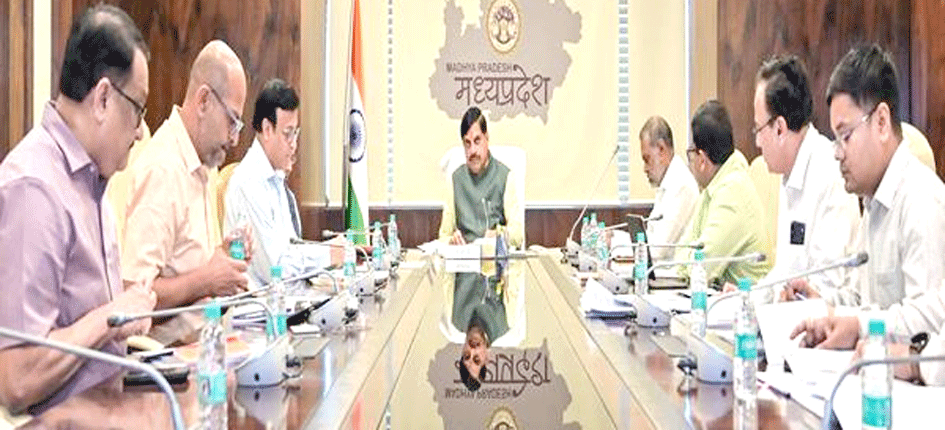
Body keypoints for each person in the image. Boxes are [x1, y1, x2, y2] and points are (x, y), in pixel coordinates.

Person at [0, 5, 156, 414]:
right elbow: (16, 379)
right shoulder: (34, 189)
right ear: (102, 98)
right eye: (138, 108)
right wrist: (111, 318)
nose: (141, 130)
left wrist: (126, 310)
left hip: (114, 407)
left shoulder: (93, 179)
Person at [790, 45, 945, 355]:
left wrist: (860, 326)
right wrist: (822, 307)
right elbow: (863, 302)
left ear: (882, 122)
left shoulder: (921, 199)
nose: (837, 153)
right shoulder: (872, 203)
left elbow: (933, 319)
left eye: (845, 136)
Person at [120, 40, 251, 344]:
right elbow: (133, 296)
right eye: (232, 121)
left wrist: (223, 258)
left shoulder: (202, 162)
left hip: (209, 343)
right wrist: (207, 280)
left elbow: (188, 263)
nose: (234, 139)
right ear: (203, 101)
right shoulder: (163, 169)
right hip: (172, 356)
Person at [748, 55, 861, 303]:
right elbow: (785, 272)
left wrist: (787, 299)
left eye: (758, 129)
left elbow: (827, 285)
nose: (757, 142)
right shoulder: (789, 173)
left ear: (779, 128)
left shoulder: (831, 173)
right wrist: (745, 298)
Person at [224, 79, 343, 287]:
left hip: (286, 297)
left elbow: (292, 248)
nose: (294, 144)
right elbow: (276, 268)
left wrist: (330, 252)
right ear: (267, 129)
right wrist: (328, 254)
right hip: (262, 304)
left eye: (296, 133)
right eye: (288, 134)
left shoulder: (276, 179)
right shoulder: (248, 182)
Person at [676, 100, 772, 286]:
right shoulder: (713, 187)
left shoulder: (733, 192)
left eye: (691, 154)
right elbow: (682, 250)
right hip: (720, 296)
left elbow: (701, 267)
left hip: (747, 301)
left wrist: (684, 262)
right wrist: (685, 261)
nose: (691, 162)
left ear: (702, 160)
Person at [438, 106, 524, 247]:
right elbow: (443, 237)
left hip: (494, 257)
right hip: (464, 257)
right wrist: (451, 242)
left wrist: (498, 235)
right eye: (467, 143)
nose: (472, 151)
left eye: (477, 141)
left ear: (487, 138)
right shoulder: (455, 179)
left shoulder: (505, 177)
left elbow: (517, 236)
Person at [638, 116, 699, 261]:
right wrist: (616, 238)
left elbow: (658, 250)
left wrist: (621, 244)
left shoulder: (682, 185)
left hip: (674, 272)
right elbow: (650, 237)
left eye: (647, 159)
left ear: (661, 149)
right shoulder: (667, 183)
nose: (645, 168)